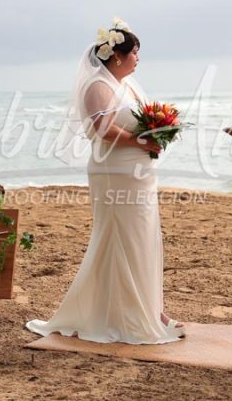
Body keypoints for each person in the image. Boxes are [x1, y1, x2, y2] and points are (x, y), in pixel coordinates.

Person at [26, 17, 184, 344]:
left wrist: (157, 133)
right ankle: (128, 314)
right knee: (119, 238)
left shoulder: (127, 87)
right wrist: (141, 142)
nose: (138, 59)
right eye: (135, 52)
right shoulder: (98, 86)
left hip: (139, 173)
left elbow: (135, 122)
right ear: (117, 56)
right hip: (113, 171)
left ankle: (150, 309)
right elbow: (103, 129)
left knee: (142, 237)